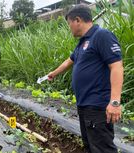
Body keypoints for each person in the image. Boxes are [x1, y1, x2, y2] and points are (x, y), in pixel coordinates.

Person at [48, 5, 123, 153]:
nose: (69, 28)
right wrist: (53, 73)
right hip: (84, 106)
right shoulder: (83, 43)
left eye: (69, 23)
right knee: (89, 146)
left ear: (77, 20)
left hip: (97, 105)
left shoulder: (102, 36)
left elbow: (117, 67)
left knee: (102, 148)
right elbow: (69, 61)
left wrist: (114, 102)